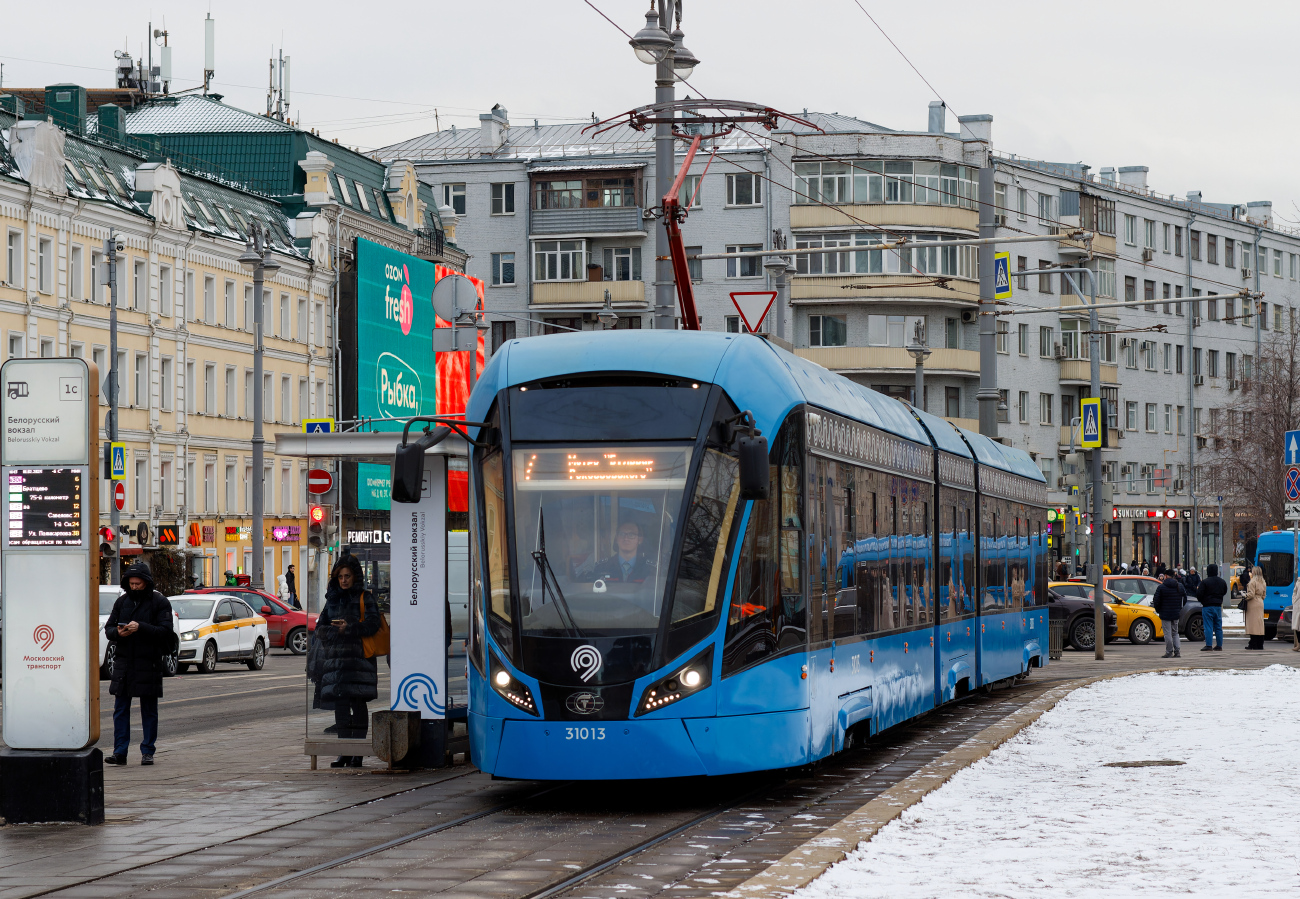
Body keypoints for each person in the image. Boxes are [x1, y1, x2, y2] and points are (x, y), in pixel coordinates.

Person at [103, 563, 174, 766]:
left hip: (148, 661)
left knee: (149, 710)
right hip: (124, 662)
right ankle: (120, 752)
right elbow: (109, 628)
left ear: (146, 582)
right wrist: (119, 633)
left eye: (138, 583)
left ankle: (147, 751)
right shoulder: (122, 601)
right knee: (120, 709)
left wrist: (140, 627)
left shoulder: (159, 602)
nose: (134, 586)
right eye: (131, 583)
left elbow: (165, 631)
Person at [315, 556, 380, 767]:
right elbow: (319, 628)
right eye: (340, 576)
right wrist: (332, 630)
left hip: (359, 661)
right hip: (336, 662)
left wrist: (349, 627)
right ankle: (344, 751)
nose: (344, 580)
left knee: (358, 704)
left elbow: (374, 624)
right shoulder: (332, 600)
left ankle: (358, 753)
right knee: (341, 706)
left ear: (355, 577)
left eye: (347, 576)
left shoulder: (364, 597)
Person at [590, 521, 656, 586]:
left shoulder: (651, 569)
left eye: (631, 535)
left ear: (639, 540)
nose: (626, 538)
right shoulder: (602, 567)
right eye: (621, 534)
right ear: (616, 539)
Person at [1153, 571, 1185, 658]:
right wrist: (1179, 608)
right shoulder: (1180, 586)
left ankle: (1169, 651)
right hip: (1175, 613)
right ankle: (1177, 651)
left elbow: (1156, 601)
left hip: (1165, 613)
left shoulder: (1161, 587)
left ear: (1166, 576)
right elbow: (1184, 598)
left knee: (1167, 633)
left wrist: (1159, 610)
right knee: (1175, 632)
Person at [1196, 564, 1227, 652]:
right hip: (1218, 606)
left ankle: (1209, 645)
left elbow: (1199, 594)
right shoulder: (1222, 582)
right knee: (1218, 626)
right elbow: (1224, 591)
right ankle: (1219, 645)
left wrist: (1203, 600)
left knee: (1208, 626)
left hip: (1207, 606)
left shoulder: (1205, 582)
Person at [1244, 565, 1266, 650]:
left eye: (1252, 571)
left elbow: (1251, 594)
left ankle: (1253, 643)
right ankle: (1260, 644)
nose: (1251, 572)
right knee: (1260, 624)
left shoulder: (1252, 582)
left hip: (1253, 603)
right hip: (1260, 602)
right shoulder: (1263, 581)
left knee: (1253, 625)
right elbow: (1264, 595)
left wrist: (1245, 596)